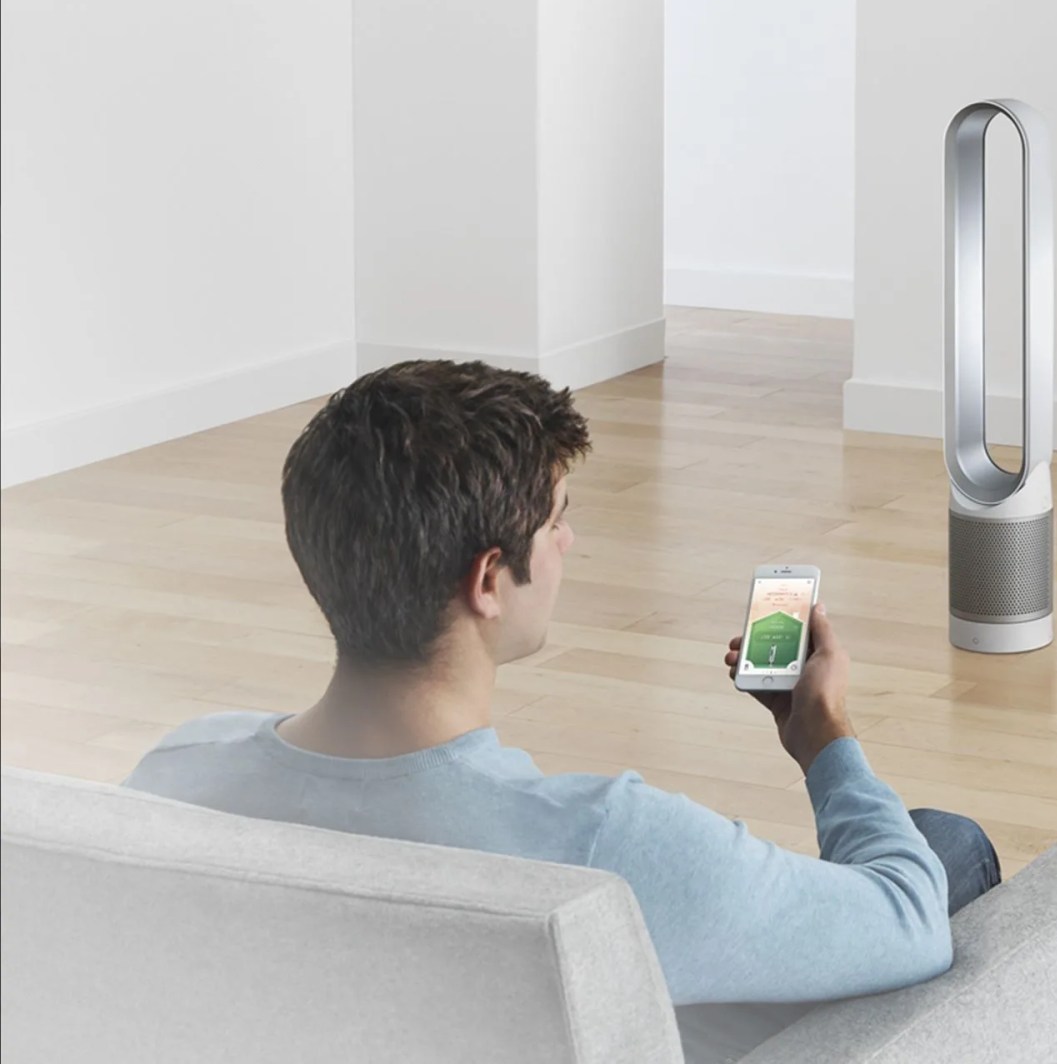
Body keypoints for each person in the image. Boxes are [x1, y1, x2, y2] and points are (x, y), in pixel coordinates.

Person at [123, 361, 1001, 1053]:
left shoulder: (176, 773)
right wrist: (824, 739)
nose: (570, 540)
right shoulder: (607, 848)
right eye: (556, 522)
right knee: (941, 846)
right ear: (488, 580)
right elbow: (908, 924)